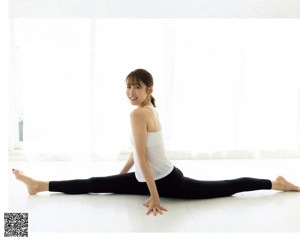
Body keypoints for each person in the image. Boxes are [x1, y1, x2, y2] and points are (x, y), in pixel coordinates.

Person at [12, 69, 300, 216]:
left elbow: (144, 157)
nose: (131, 91)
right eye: (128, 86)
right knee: (94, 182)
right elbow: (138, 154)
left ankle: (276, 182)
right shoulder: (144, 111)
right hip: (145, 177)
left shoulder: (140, 115)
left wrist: (156, 194)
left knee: (225, 188)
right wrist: (121, 177)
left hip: (168, 181)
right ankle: (39, 185)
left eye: (137, 87)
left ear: (149, 89)